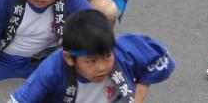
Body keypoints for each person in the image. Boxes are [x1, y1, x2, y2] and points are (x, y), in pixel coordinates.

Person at [9, 10, 174, 102]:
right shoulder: (52, 70)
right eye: (91, 61)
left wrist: (138, 97)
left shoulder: (125, 49)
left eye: (107, 57)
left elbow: (159, 56)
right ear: (69, 58)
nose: (102, 67)